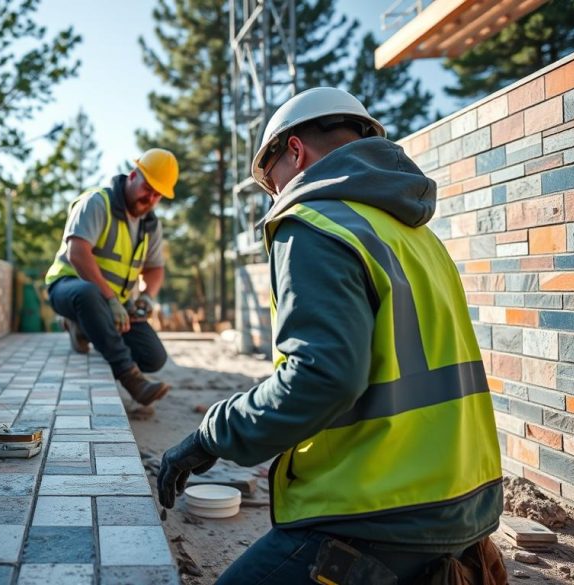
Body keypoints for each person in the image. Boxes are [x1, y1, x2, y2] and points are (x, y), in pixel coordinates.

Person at [157, 88, 505, 584]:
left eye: (269, 182)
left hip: (378, 513)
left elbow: (320, 379)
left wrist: (211, 435)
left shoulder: (314, 222)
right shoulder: (417, 235)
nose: (274, 196)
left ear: (294, 152)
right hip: (466, 507)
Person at [45, 149, 178, 406]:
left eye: (157, 194)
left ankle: (84, 328)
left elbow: (155, 269)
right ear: (132, 176)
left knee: (153, 357)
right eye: (147, 188)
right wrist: (110, 299)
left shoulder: (151, 225)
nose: (149, 198)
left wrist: (148, 297)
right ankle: (130, 377)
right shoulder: (97, 202)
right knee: (88, 294)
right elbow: (78, 253)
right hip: (68, 288)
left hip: (112, 303)